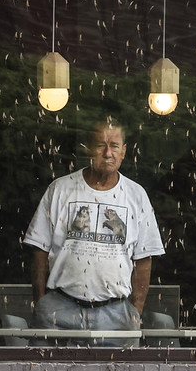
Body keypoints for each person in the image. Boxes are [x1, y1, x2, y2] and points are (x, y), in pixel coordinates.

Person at [23, 119, 165, 346]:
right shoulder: (60, 189)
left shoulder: (136, 196)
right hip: (58, 310)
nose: (108, 153)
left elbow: (144, 259)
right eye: (100, 145)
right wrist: (42, 302)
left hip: (117, 313)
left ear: (124, 151)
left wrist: (134, 312)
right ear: (88, 148)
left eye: (115, 146)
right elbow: (39, 251)